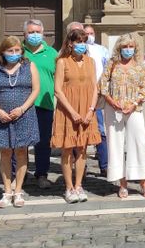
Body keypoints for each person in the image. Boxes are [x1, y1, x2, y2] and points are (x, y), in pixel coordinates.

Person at [0, 36, 41, 208]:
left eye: (17, 50)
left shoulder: (29, 66)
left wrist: (22, 108)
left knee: (22, 152)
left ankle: (18, 190)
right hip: (1, 117)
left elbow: (36, 89)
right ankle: (7, 191)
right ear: (3, 52)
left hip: (24, 115)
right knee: (5, 153)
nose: (14, 53)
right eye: (10, 51)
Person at [100, 33, 145, 199]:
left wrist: (133, 103)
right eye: (125, 47)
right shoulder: (112, 64)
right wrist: (111, 101)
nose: (128, 50)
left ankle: (143, 182)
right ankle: (122, 183)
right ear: (119, 48)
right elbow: (102, 85)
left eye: (131, 46)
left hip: (134, 109)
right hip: (113, 108)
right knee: (115, 145)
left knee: (138, 144)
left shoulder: (141, 66)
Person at [51, 28, 102, 203]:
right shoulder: (62, 62)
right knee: (67, 150)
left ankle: (79, 185)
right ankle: (69, 187)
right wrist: (72, 112)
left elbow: (95, 87)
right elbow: (57, 90)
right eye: (78, 41)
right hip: (67, 110)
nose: (81, 45)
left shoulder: (91, 61)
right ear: (70, 43)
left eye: (83, 41)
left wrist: (90, 110)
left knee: (82, 149)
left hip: (86, 109)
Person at [22, 19, 59, 189]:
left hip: (45, 103)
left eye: (37, 32)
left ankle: (41, 174)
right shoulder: (17, 51)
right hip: (22, 105)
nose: (34, 35)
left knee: (43, 142)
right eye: (31, 32)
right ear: (24, 34)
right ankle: (19, 175)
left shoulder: (52, 53)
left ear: (43, 33)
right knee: (20, 142)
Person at [83, 24, 110, 177]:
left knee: (100, 130)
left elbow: (107, 70)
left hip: (98, 95)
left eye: (91, 33)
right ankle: (82, 164)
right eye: (86, 34)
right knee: (81, 132)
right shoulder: (77, 49)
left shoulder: (102, 50)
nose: (89, 36)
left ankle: (104, 164)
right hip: (82, 95)